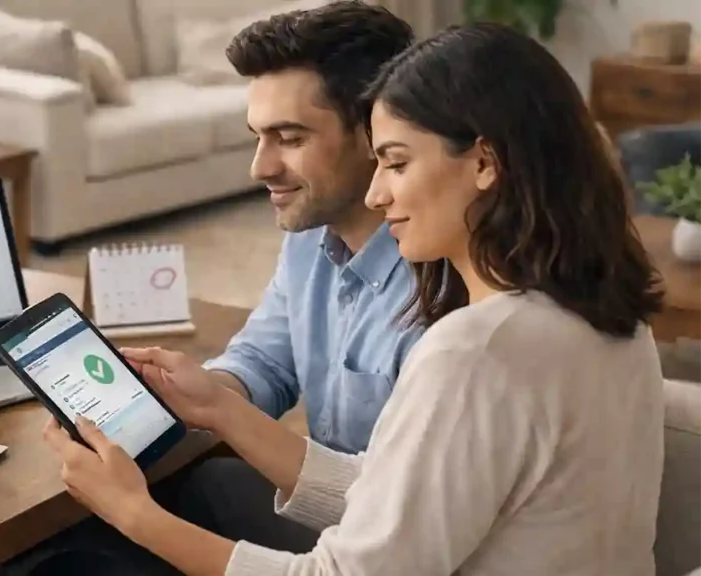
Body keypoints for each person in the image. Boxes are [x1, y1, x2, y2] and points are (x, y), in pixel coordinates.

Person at [44, 22, 667, 575]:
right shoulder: (601, 308)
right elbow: (401, 498)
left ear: (484, 163)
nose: (376, 193)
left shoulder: (476, 348)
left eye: (395, 163)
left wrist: (131, 512)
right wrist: (220, 405)